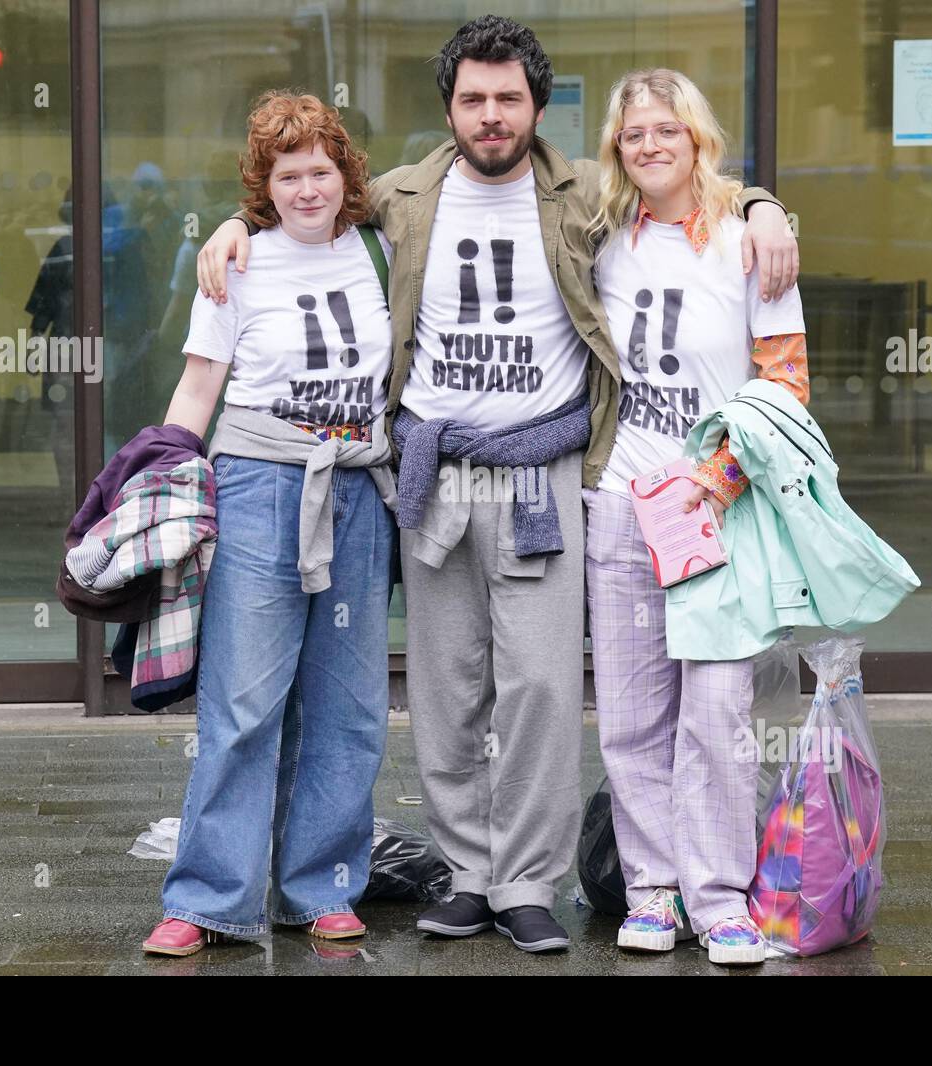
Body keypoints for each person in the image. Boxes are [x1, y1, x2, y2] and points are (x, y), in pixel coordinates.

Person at [195, 16, 798, 954]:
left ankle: (526, 882)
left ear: (537, 105)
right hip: (437, 475)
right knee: (445, 691)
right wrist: (235, 224)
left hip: (544, 472)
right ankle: (466, 874)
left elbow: (679, 182)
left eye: (507, 98)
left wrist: (761, 202)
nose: (490, 115)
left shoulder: (587, 198)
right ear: (450, 107)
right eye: (472, 99)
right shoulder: (401, 196)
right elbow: (302, 197)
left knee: (544, 693)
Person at [142, 91, 398, 957]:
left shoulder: (382, 251)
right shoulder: (237, 264)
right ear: (265, 185)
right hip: (258, 483)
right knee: (243, 701)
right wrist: (165, 476)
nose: (308, 189)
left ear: (345, 174)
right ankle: (207, 895)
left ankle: (321, 887)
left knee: (350, 703)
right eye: (289, 175)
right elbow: (199, 389)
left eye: (322, 170)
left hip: (358, 488)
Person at [583, 68, 809, 964]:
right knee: (631, 716)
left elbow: (786, 382)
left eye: (665, 131)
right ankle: (650, 891)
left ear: (697, 138)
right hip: (622, 506)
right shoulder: (602, 238)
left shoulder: (749, 243)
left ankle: (720, 900)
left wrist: (715, 480)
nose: (648, 146)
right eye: (633, 134)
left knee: (716, 712)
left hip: (720, 509)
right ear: (616, 148)